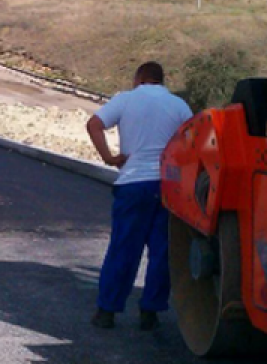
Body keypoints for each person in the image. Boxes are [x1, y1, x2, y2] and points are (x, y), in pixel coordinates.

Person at [86, 61, 192, 331]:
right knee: (162, 251)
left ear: (139, 78)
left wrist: (109, 157)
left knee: (123, 248)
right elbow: (192, 142)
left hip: (133, 184)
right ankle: (150, 312)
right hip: (168, 187)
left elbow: (94, 124)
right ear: (161, 80)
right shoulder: (179, 106)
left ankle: (107, 312)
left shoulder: (125, 99)